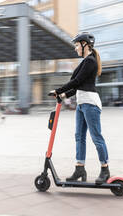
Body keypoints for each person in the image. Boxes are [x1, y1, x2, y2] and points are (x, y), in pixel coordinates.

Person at [50, 32, 110, 185]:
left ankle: (105, 169)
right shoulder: (85, 62)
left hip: (90, 103)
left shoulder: (90, 61)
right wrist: (63, 95)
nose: (75, 48)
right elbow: (77, 88)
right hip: (82, 103)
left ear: (85, 44)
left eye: (77, 45)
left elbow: (76, 81)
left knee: (96, 137)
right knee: (79, 136)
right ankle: (80, 168)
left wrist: (59, 90)